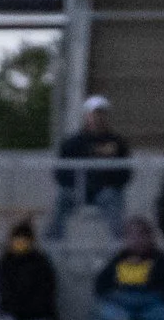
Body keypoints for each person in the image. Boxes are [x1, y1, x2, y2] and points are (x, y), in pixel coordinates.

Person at [53, 95, 132, 242]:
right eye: (94, 113)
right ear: (86, 115)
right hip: (76, 191)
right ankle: (53, 246)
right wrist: (76, 183)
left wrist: (108, 179)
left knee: (113, 201)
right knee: (62, 198)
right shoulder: (73, 143)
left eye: (101, 113)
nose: (97, 117)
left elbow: (125, 173)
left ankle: (121, 247)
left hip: (105, 192)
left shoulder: (118, 143)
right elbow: (60, 172)